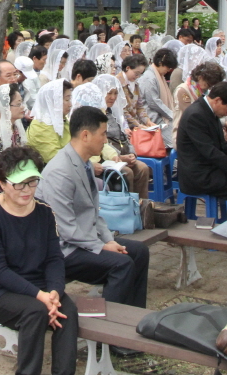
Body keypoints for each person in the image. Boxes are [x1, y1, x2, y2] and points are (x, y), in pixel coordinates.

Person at [0, 146, 78, 375]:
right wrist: (41, 297)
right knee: (35, 311)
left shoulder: (45, 212)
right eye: (19, 183)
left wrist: (55, 292)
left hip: (38, 284)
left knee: (67, 310)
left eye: (32, 182)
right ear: (1, 183)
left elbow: (54, 259)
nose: (26, 190)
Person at [37, 106, 150, 309]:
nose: (106, 140)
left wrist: (107, 239)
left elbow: (94, 212)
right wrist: (101, 246)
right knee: (121, 265)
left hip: (82, 239)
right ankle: (107, 333)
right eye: (103, 134)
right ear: (86, 135)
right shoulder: (60, 172)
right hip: (62, 249)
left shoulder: (85, 163)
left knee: (139, 252)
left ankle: (132, 317)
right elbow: (65, 229)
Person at [176, 82, 227, 218]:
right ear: (218, 100)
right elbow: (210, 152)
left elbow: (223, 145)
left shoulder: (209, 111)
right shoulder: (196, 115)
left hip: (210, 168)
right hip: (198, 175)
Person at [138, 48, 178, 149]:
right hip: (152, 117)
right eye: (167, 68)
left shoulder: (158, 76)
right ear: (160, 63)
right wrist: (171, 115)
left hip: (158, 114)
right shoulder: (149, 77)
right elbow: (154, 102)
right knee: (175, 140)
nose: (168, 71)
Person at [28, 79, 74, 163]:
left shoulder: (60, 119)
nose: (70, 104)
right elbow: (54, 158)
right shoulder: (41, 125)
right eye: (67, 100)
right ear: (53, 101)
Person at [0, 83, 28, 164]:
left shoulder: (16, 127)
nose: (23, 107)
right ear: (5, 107)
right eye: (18, 104)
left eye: (22, 103)